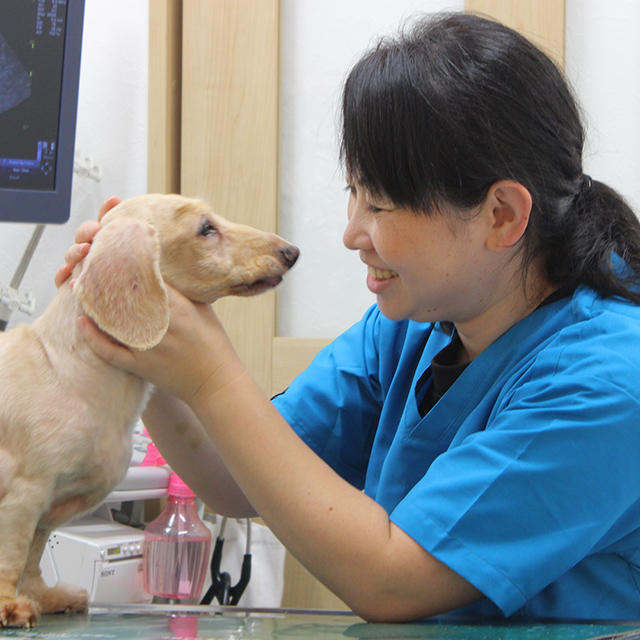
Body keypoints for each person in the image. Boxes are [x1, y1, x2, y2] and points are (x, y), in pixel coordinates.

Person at [59, 12, 640, 622]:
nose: (351, 234)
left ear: (500, 214)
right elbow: (234, 476)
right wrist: (133, 332)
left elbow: (391, 581)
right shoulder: (413, 324)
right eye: (352, 195)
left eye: (381, 203)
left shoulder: (607, 379)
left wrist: (212, 374)